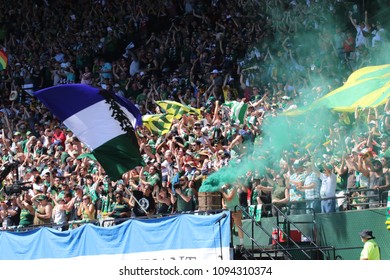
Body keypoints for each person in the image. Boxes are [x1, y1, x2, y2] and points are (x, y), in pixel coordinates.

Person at [220, 181, 244, 246]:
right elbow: (223, 198)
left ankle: (242, 244)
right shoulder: (223, 188)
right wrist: (223, 205)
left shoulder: (233, 187)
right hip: (228, 210)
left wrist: (222, 191)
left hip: (236, 210)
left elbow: (229, 198)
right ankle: (229, 243)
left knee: (239, 226)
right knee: (228, 227)